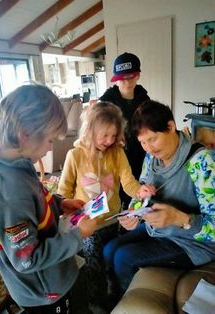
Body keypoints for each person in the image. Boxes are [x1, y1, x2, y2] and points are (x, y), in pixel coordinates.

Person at [0, 84, 98, 314]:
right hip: (44, 294)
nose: (50, 148)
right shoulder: (7, 193)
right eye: (50, 140)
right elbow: (27, 259)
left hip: (51, 278)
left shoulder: (15, 162)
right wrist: (78, 235)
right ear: (25, 135)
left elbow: (32, 201)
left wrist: (58, 202)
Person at [103, 99, 215, 297]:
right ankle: (114, 296)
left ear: (171, 127)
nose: (149, 148)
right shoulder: (151, 157)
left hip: (191, 243)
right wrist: (133, 211)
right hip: (158, 230)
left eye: (153, 139)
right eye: (142, 142)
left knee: (123, 257)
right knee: (109, 249)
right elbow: (141, 192)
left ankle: (118, 302)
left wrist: (180, 219)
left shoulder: (201, 162)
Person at [57, 101, 155, 313]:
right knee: (94, 266)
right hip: (87, 226)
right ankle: (96, 303)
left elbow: (128, 181)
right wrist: (67, 213)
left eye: (114, 135)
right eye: (104, 135)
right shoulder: (74, 156)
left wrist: (139, 191)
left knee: (110, 261)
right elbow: (63, 191)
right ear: (90, 131)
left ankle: (114, 296)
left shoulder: (117, 153)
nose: (110, 140)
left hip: (113, 220)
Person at [99, 52, 150, 208]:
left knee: (135, 196)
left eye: (131, 77)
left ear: (138, 76)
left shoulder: (145, 101)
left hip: (139, 156)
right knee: (110, 197)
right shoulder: (105, 103)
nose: (126, 82)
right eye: (122, 78)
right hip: (112, 155)